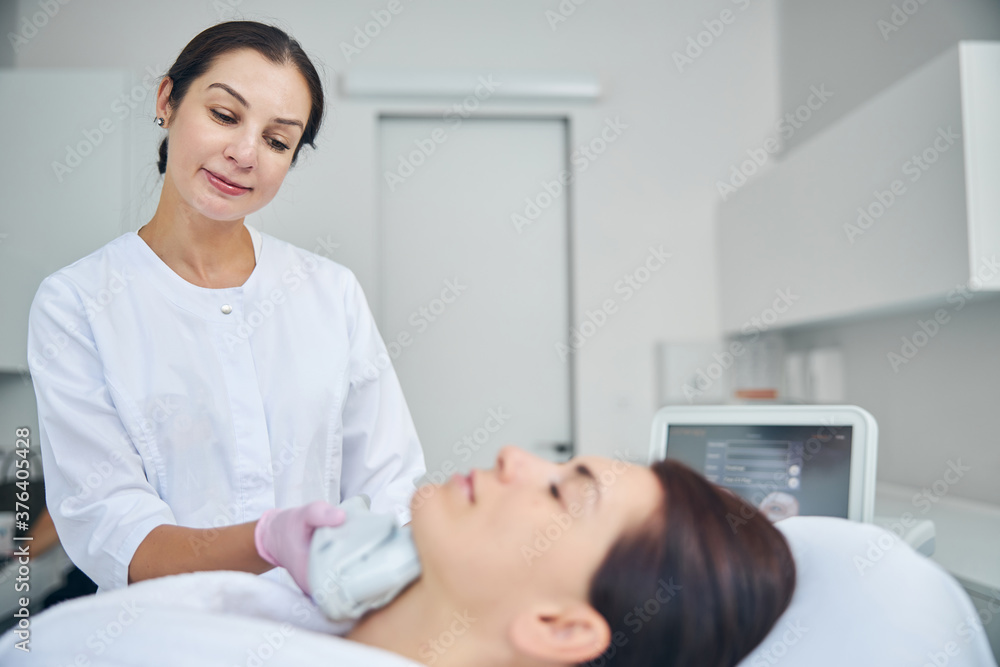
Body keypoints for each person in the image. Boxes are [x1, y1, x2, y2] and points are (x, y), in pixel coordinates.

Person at [26, 21, 425, 594]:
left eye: (277, 141)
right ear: (167, 101)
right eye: (224, 115)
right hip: (169, 631)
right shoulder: (77, 302)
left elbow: (391, 493)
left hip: (320, 630)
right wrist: (265, 543)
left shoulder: (330, 292)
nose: (244, 154)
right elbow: (114, 529)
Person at [0, 446, 799, 667]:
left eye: (562, 491)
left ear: (559, 626)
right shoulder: (319, 601)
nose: (516, 456)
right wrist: (261, 545)